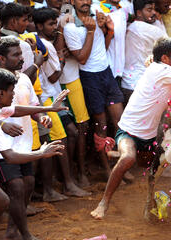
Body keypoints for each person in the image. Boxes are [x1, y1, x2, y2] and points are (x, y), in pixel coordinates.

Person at [90, 38, 171, 220]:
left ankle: (154, 203)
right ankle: (103, 203)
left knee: (152, 168)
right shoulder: (162, 70)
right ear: (165, 58)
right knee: (128, 158)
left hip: (149, 137)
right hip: (128, 131)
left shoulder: (162, 67)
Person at [0, 37, 69, 240]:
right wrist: (1, 126)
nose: (21, 58)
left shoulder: (25, 79)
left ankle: (13, 231)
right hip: (3, 149)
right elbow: (3, 114)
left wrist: (45, 113)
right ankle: (26, 236)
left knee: (26, 185)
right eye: (16, 55)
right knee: (15, 188)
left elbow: (19, 109)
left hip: (23, 144)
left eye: (21, 54)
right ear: (1, 58)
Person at [33, 7, 90, 199]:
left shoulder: (37, 39)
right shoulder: (45, 46)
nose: (54, 28)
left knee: (69, 134)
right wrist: (63, 59)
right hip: (46, 99)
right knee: (60, 139)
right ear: (40, 25)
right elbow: (53, 76)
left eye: (55, 24)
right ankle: (64, 184)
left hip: (52, 97)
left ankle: (64, 181)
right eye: (51, 25)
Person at [63, 0, 124, 180]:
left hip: (106, 73)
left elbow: (101, 48)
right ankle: (108, 170)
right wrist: (90, 31)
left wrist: (108, 30)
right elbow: (82, 58)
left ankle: (121, 167)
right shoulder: (70, 28)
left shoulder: (96, 11)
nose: (86, 2)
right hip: (89, 79)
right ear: (72, 1)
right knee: (101, 126)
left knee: (120, 122)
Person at [121, 0, 164, 105]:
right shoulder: (151, 29)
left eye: (154, 9)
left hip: (127, 85)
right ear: (139, 13)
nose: (154, 13)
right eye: (149, 10)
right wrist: (159, 22)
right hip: (142, 86)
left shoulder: (130, 27)